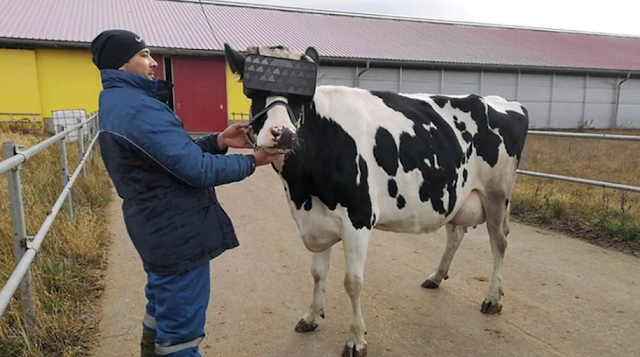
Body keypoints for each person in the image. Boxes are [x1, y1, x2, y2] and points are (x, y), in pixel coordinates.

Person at [90, 29, 279, 357]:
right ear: (122, 64)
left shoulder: (120, 101)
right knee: (181, 334)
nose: (153, 62)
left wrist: (217, 141)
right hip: (174, 231)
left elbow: (166, 157)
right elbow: (197, 170)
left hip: (155, 226)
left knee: (160, 303)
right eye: (144, 55)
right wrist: (253, 162)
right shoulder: (138, 109)